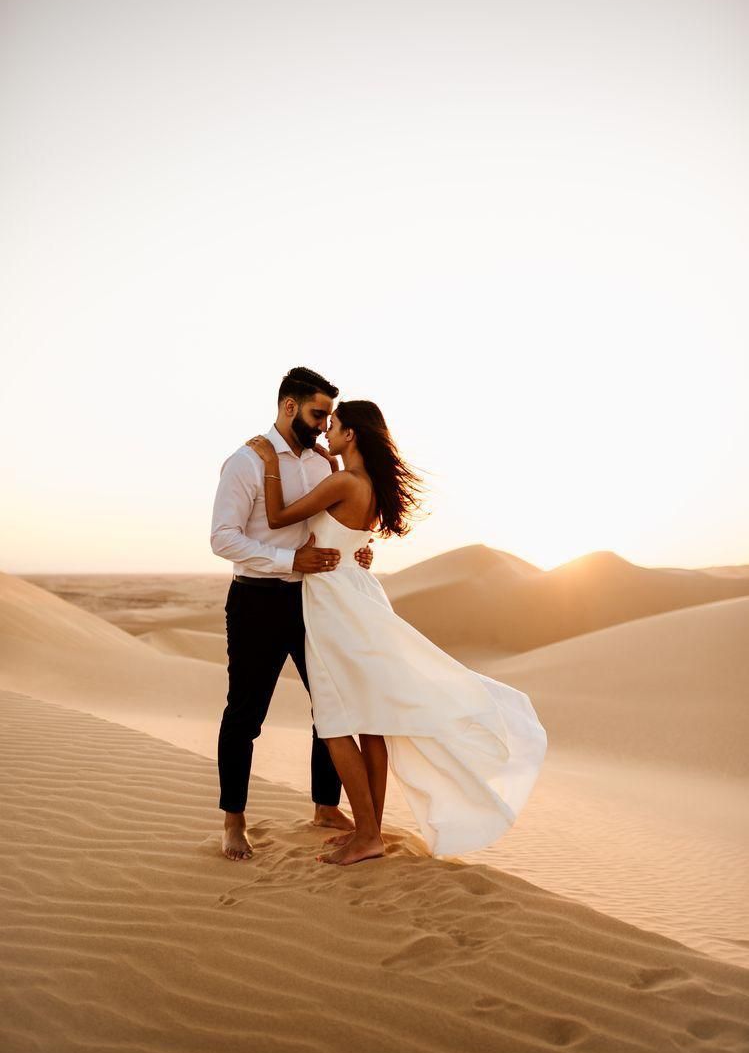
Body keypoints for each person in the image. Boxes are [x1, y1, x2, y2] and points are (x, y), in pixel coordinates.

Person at [247, 400, 547, 866]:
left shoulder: (343, 481)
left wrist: (268, 463)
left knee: (334, 720)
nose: (327, 433)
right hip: (355, 593)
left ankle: (368, 834)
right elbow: (349, 540)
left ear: (352, 435)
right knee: (369, 720)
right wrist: (330, 466)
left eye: (336, 428)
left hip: (333, 606)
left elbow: (278, 517)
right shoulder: (365, 483)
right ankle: (370, 832)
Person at [211, 368, 374, 861]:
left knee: (330, 704)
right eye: (317, 413)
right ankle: (233, 821)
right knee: (244, 715)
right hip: (256, 600)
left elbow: (334, 525)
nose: (325, 424)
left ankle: (326, 805)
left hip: (313, 599)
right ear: (289, 407)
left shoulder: (324, 465)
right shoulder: (244, 461)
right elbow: (222, 538)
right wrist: (288, 560)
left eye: (329, 415)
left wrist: (355, 553)